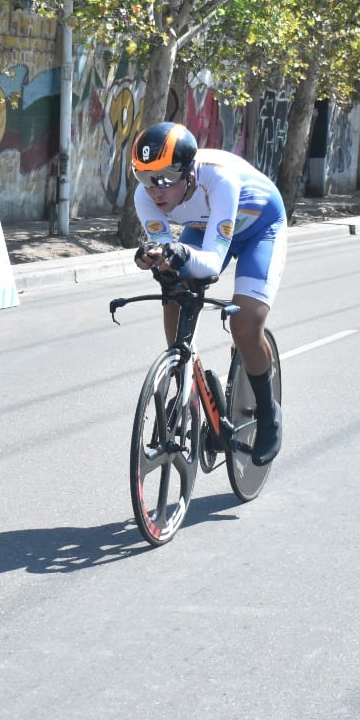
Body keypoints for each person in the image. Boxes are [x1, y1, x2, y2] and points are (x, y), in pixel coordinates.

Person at [128, 121, 286, 465]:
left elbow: (212, 263)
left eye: (166, 179)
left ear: (189, 172)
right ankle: (182, 373)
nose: (155, 191)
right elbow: (169, 252)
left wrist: (178, 255)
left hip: (260, 228)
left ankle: (267, 409)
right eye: (144, 177)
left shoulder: (220, 180)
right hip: (205, 229)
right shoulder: (146, 195)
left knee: (245, 325)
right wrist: (157, 257)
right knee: (171, 281)